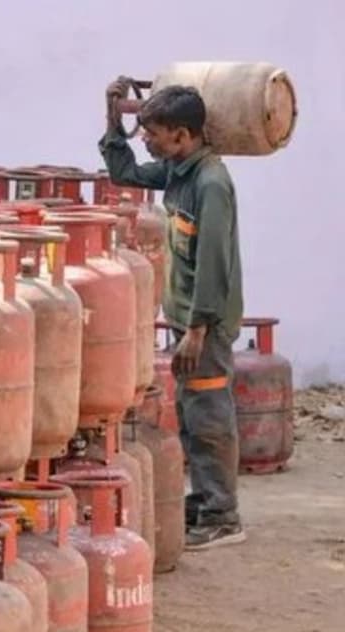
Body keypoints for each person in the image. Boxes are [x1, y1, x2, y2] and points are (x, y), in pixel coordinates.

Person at [101, 78, 245, 550]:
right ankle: (205, 501)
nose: (147, 140)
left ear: (182, 136)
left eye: (155, 133)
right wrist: (112, 117)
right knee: (189, 412)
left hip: (206, 325)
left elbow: (213, 263)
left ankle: (223, 516)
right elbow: (123, 172)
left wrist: (199, 329)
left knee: (208, 416)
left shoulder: (210, 184)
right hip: (189, 322)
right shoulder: (177, 172)